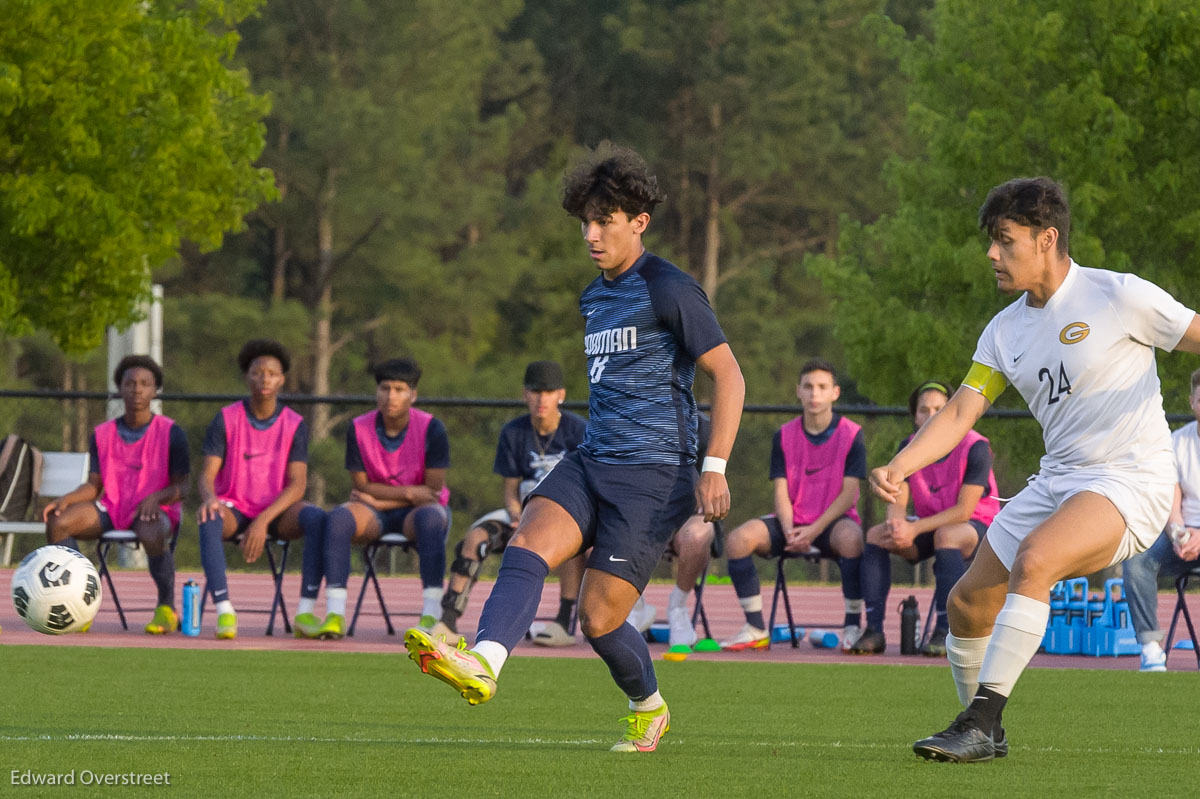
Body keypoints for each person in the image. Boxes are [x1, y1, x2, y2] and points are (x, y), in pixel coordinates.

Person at [404, 142, 745, 754]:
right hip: (591, 459)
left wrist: (713, 467)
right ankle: (484, 660)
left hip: (655, 477)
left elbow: (731, 375)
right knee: (530, 537)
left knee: (599, 620)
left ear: (638, 223)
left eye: (604, 222)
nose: (590, 234)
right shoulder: (593, 296)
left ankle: (649, 705)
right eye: (584, 222)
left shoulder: (670, 288)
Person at [870, 177, 1200, 763]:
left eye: (1004, 240)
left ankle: (981, 720)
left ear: (1047, 239)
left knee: (1038, 559)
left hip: (1132, 480)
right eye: (991, 242)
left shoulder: (1118, 296)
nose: (991, 255)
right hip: (1059, 481)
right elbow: (958, 414)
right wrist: (900, 464)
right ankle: (982, 729)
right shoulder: (1003, 331)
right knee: (968, 603)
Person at [432, 360, 587, 646]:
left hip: (566, 512)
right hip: (525, 508)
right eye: (535, 391)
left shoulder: (578, 430)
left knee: (575, 545)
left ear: (561, 395)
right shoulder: (513, 432)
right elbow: (510, 490)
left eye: (549, 392)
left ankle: (564, 622)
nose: (542, 399)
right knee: (476, 537)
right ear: (525, 394)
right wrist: (517, 515)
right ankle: (449, 620)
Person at [719, 359, 867, 652]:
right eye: (808, 387)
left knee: (852, 539)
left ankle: (852, 625)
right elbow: (781, 491)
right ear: (798, 391)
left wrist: (812, 531)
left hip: (830, 523)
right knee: (737, 540)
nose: (815, 394)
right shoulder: (784, 435)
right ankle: (756, 628)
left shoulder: (852, 434)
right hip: (793, 523)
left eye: (822, 387)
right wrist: (790, 531)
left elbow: (849, 495)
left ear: (835, 393)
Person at [302, 357, 451, 640]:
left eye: (399, 389)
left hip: (417, 513)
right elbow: (360, 485)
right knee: (339, 518)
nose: (390, 396)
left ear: (413, 395)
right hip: (376, 514)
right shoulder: (358, 428)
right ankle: (335, 614)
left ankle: (431, 614)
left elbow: (430, 494)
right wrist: (407, 492)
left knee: (431, 519)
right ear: (377, 392)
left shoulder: (433, 429)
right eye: (385, 388)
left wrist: (382, 500)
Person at [44, 355, 189, 635]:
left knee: (150, 531)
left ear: (155, 390)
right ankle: (77, 604)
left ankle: (166, 608)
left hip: (153, 511)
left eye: (145, 384)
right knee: (59, 523)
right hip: (113, 507)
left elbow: (183, 487)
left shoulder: (172, 432)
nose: (137, 389)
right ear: (120, 388)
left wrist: (156, 498)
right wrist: (67, 499)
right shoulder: (103, 432)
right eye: (130, 383)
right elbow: (94, 485)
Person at [858, 380, 999, 656]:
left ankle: (946, 630)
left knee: (946, 535)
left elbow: (964, 511)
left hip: (975, 528)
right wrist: (896, 525)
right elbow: (897, 498)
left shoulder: (976, 446)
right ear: (915, 416)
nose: (931, 415)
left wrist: (914, 528)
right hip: (930, 526)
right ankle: (873, 630)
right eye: (924, 410)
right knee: (877, 535)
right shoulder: (908, 448)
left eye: (940, 408)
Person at [198, 339, 325, 640]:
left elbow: (298, 484)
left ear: (282, 379)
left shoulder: (295, 423)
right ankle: (225, 611)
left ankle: (305, 612)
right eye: (258, 372)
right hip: (234, 506)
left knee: (318, 518)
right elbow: (206, 474)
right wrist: (209, 498)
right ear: (247, 377)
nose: (264, 378)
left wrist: (263, 521)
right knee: (208, 518)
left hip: (277, 511)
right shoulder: (226, 418)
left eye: (272, 373)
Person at [1122, 367, 1200, 671]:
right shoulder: (1176, 443)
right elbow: (1172, 498)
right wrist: (1179, 534)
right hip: (1182, 539)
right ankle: (1151, 649)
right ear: (1192, 402)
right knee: (1138, 557)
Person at [626, 413, 723, 651]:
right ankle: (634, 606)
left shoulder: (704, 429)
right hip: (643, 514)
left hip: (687, 515)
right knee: (608, 524)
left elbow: (707, 492)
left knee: (697, 534)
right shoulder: (633, 423)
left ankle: (678, 608)